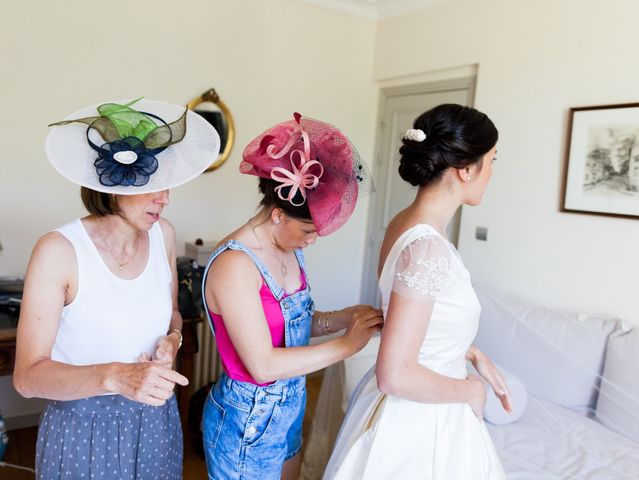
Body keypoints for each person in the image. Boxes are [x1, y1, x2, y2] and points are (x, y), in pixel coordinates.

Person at [13, 98, 220, 479]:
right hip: (83, 430)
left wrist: (173, 339)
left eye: (168, 186)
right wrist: (115, 376)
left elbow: (172, 312)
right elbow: (27, 378)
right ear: (112, 182)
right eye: (152, 185)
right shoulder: (59, 251)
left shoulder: (164, 235)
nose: (165, 198)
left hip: (155, 422)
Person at [323, 104, 513, 479]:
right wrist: (470, 391)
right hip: (417, 420)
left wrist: (469, 352)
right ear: (467, 169)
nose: (492, 172)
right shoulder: (427, 247)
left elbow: (417, 320)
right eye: (492, 160)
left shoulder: (405, 224)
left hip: (420, 402)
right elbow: (394, 374)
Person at [201, 113, 383, 480]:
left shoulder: (290, 248)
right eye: (308, 230)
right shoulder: (235, 265)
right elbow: (263, 365)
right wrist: (348, 345)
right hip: (247, 421)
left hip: (290, 405)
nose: (312, 240)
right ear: (278, 214)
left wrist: (343, 318)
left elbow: (294, 325)